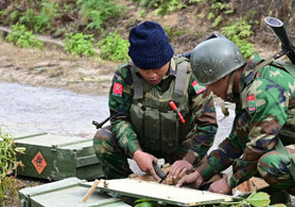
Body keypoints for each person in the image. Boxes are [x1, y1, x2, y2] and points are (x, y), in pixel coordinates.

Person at [177, 37, 295, 206]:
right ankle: (277, 200)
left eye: (210, 84)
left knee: (267, 163)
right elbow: (238, 140)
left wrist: (228, 182)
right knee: (250, 160)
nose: (210, 91)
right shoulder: (246, 85)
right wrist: (202, 173)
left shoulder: (262, 89)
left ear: (224, 77)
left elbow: (259, 146)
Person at [93, 21, 218, 181]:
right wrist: (136, 152)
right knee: (103, 139)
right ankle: (122, 188)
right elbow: (119, 119)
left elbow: (207, 125)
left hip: (181, 145)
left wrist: (188, 160)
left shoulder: (190, 74)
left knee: (193, 184)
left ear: (167, 59)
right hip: (142, 142)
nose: (152, 75)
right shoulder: (125, 75)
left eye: (158, 68)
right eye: (145, 69)